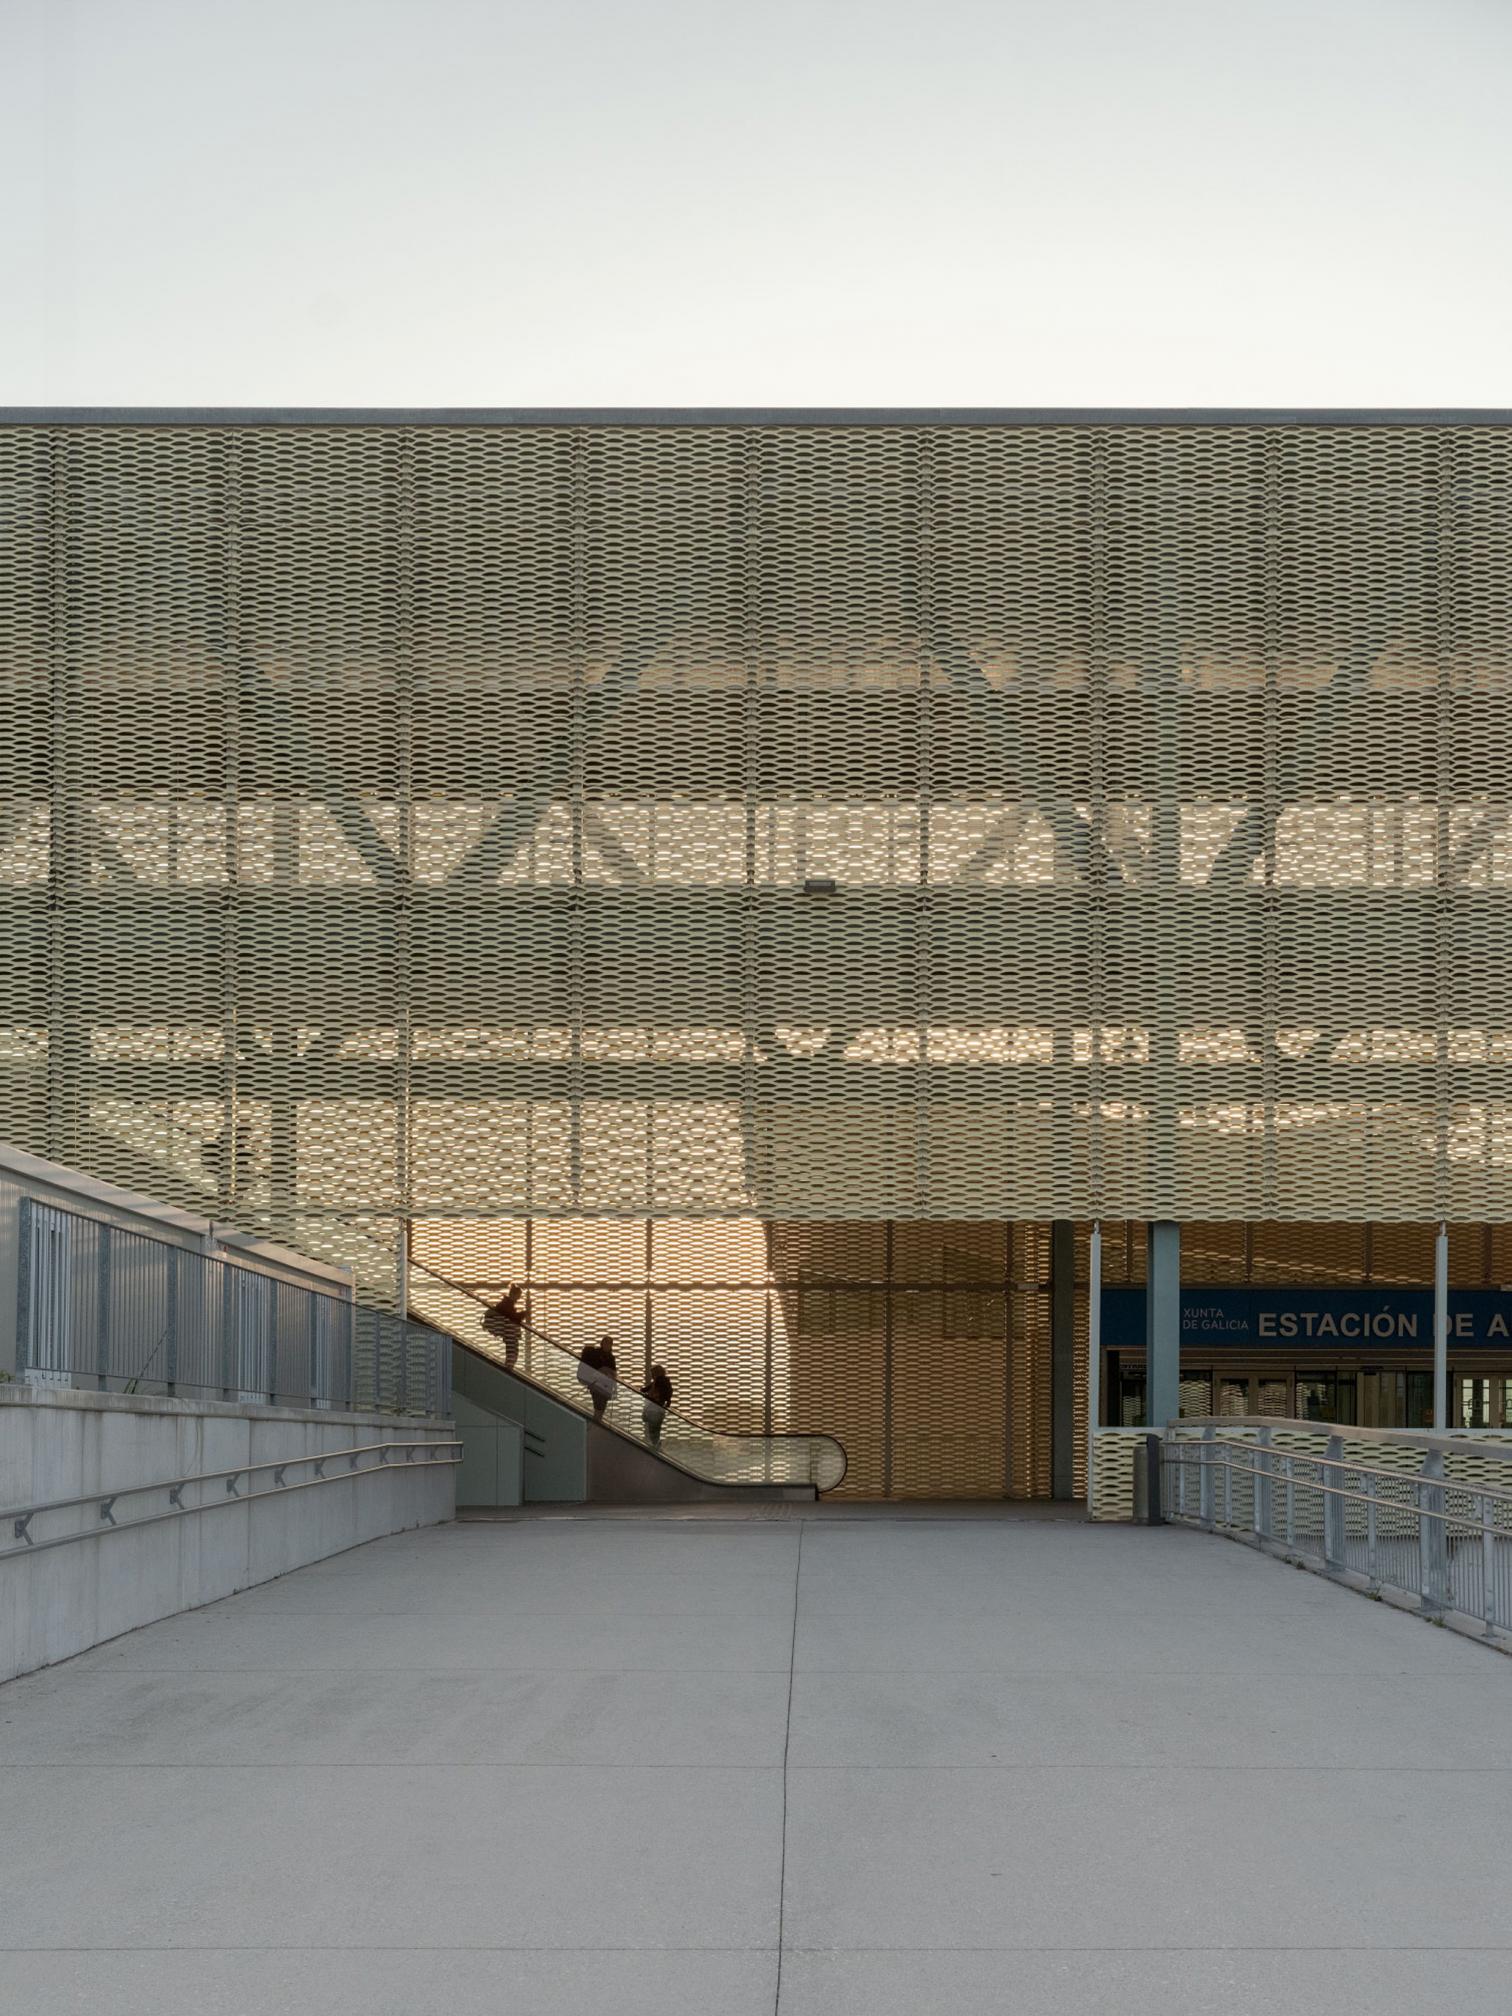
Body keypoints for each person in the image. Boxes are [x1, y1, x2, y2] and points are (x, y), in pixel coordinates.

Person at [482, 1284, 528, 1371]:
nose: (519, 1298)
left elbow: (512, 1317)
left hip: (507, 1330)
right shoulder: (507, 1304)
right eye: (518, 1296)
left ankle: (509, 1366)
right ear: (514, 1294)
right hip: (508, 1331)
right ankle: (509, 1368)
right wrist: (524, 1313)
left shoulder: (506, 1303)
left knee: (512, 1349)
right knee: (512, 1350)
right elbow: (513, 1318)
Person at [576, 1334, 618, 1423]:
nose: (608, 1345)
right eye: (606, 1343)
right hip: (597, 1385)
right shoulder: (596, 1354)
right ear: (602, 1344)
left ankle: (597, 1422)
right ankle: (596, 1423)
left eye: (609, 1344)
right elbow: (595, 1369)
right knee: (599, 1405)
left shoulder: (610, 1357)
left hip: (604, 1386)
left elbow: (614, 1373)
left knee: (601, 1406)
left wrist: (615, 1388)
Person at [639, 1362, 673, 1446]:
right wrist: (668, 1402)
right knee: (656, 1429)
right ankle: (656, 1445)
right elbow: (668, 1393)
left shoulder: (658, 1381)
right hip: (660, 1409)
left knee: (653, 1430)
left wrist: (643, 1392)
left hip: (654, 1409)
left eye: (652, 1374)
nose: (651, 1376)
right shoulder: (665, 1382)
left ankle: (656, 1446)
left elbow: (647, 1390)